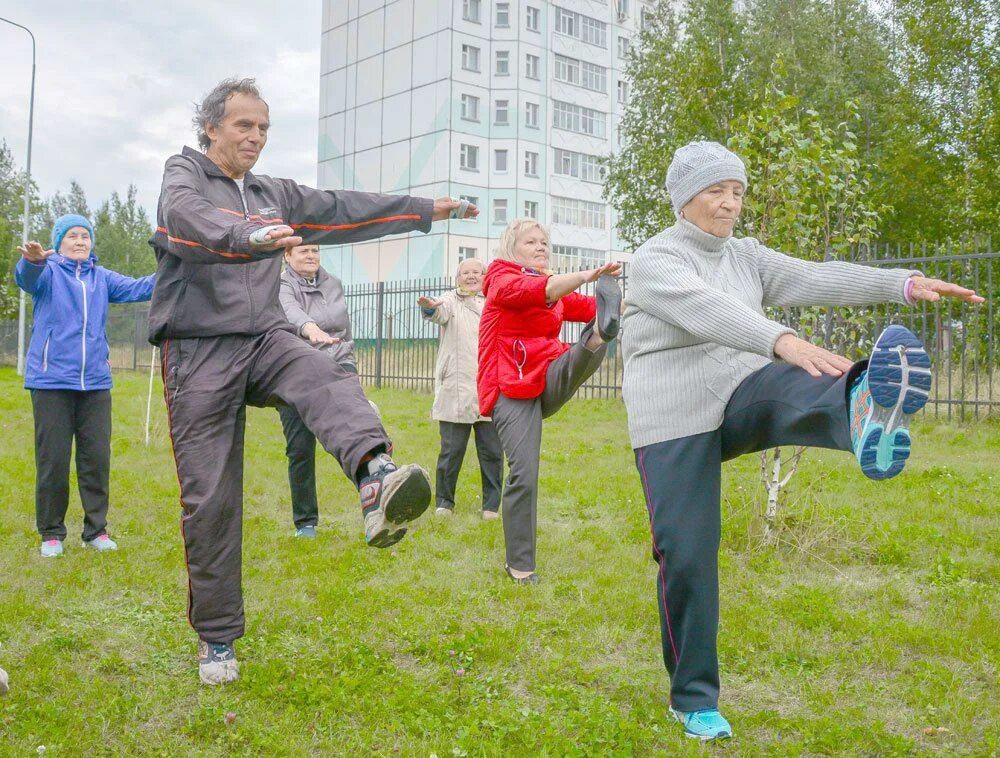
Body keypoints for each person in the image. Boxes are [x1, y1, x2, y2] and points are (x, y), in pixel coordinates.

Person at [622, 140, 984, 741]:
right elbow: (709, 310)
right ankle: (692, 700)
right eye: (717, 191)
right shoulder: (655, 259)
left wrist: (904, 283)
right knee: (686, 555)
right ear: (684, 196)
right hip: (671, 415)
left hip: (738, 390)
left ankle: (864, 407)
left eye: (738, 192)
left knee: (803, 381)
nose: (730, 204)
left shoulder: (747, 256)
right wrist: (782, 339)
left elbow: (818, 277)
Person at [150, 77, 478, 686]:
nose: (256, 137)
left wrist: (424, 211)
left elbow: (340, 208)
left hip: (265, 336)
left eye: (265, 127)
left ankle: (376, 476)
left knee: (323, 370)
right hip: (197, 350)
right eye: (244, 125)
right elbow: (183, 220)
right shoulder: (185, 171)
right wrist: (249, 237)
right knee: (212, 498)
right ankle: (217, 639)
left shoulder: (274, 192)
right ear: (211, 128)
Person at [478, 219, 623, 585]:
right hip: (510, 388)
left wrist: (628, 302)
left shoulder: (550, 285)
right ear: (512, 246)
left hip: (547, 373)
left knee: (596, 330)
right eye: (531, 241)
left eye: (544, 242)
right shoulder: (501, 278)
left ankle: (596, 339)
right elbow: (540, 290)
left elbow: (588, 303)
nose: (541, 247)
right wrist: (587, 274)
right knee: (524, 473)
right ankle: (519, 564)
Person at [15, 214, 155, 558]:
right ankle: (51, 533)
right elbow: (25, 277)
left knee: (96, 460)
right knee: (53, 461)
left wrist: (177, 266)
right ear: (59, 242)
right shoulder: (47, 273)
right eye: (72, 236)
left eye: (85, 236)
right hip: (51, 382)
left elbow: (141, 286)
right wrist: (31, 260)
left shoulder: (101, 278)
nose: (80, 241)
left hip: (94, 383)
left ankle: (96, 531)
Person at [277, 243, 359, 538]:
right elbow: (291, 313)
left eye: (315, 250)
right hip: (294, 369)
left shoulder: (333, 284)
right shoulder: (279, 285)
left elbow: (344, 328)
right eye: (303, 251)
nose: (311, 255)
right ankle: (306, 522)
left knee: (354, 439)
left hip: (337, 363)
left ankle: (375, 512)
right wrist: (309, 327)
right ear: (287, 256)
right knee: (299, 448)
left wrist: (349, 363)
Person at [418, 258, 503, 520]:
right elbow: (438, 312)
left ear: (484, 276)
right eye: (465, 273)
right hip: (456, 386)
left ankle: (491, 507)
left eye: (476, 272)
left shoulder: (495, 301)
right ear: (457, 277)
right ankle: (444, 503)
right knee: (451, 451)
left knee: (491, 452)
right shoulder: (450, 301)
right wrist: (430, 308)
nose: (470, 276)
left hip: (489, 387)